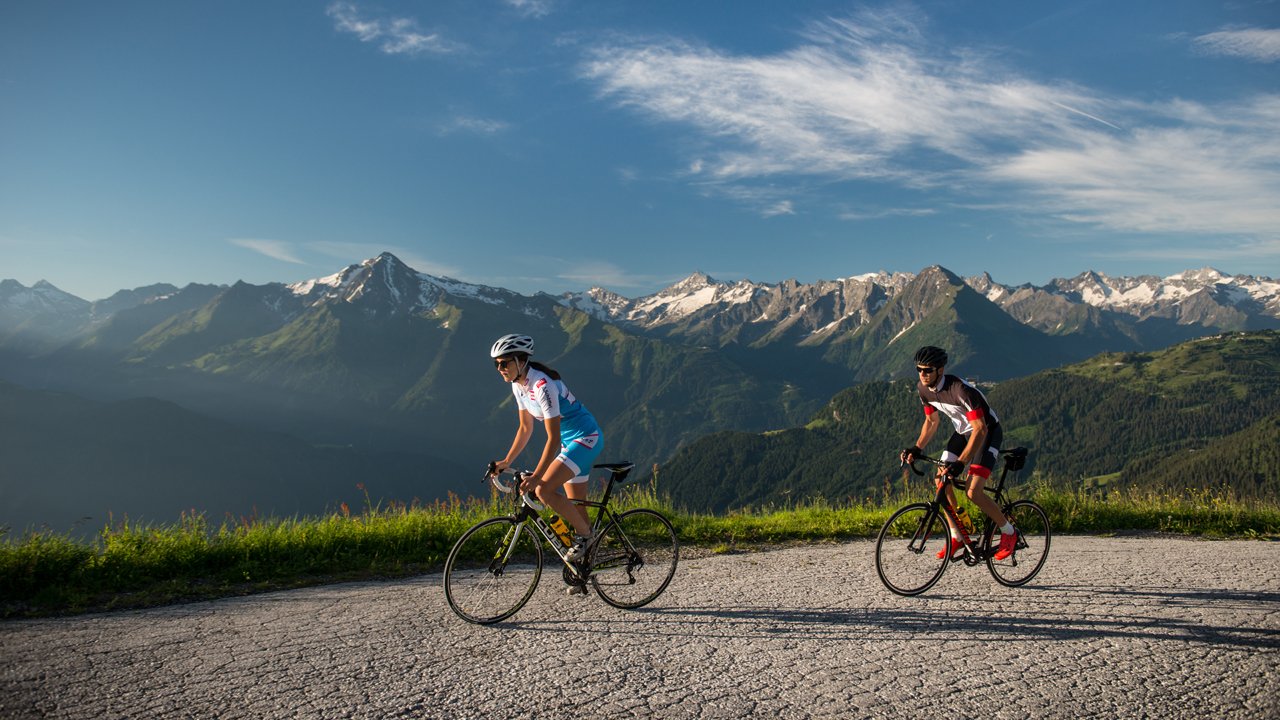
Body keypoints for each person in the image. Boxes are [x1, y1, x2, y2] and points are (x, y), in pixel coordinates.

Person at [489, 333, 603, 568]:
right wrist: (506, 460)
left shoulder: (543, 385)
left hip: (586, 438)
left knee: (544, 490)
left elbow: (552, 439)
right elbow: (525, 427)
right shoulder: (518, 386)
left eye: (504, 363)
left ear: (521, 361)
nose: (500, 368)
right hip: (571, 444)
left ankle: (587, 538)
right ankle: (585, 571)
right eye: (496, 364)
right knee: (578, 512)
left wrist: (538, 476)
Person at [900, 345, 1019, 561]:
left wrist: (961, 463)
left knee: (974, 492)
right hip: (962, 433)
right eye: (919, 369)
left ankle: (1009, 532)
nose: (922, 374)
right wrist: (917, 448)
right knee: (940, 481)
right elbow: (931, 421)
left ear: (940, 370)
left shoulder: (961, 391)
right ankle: (958, 535)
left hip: (987, 433)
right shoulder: (923, 389)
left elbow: (980, 429)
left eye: (927, 370)